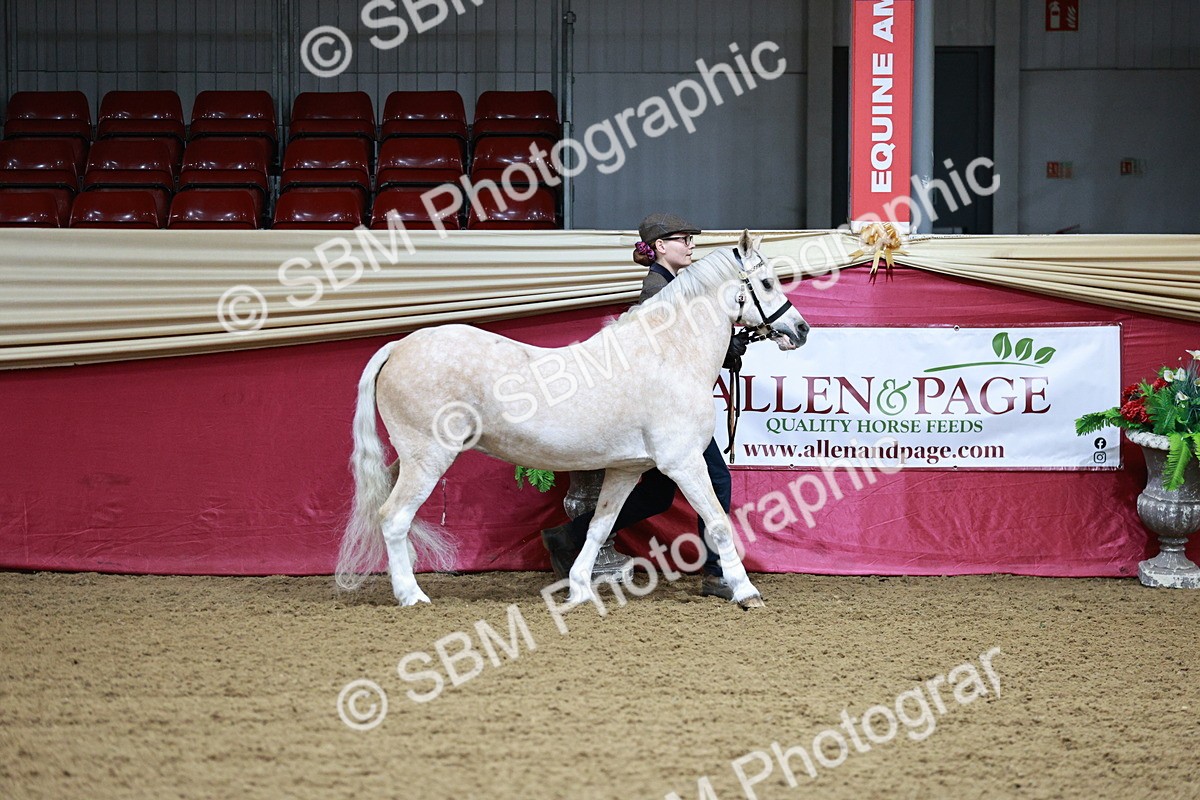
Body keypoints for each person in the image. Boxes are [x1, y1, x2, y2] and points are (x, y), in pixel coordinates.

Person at [541, 212, 750, 600]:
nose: (691, 245)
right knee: (716, 480)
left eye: (691, 239)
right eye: (683, 239)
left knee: (657, 494)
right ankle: (718, 572)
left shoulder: (676, 284)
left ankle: (567, 536)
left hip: (666, 411)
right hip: (666, 412)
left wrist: (727, 349)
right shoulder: (657, 289)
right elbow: (665, 352)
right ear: (660, 247)